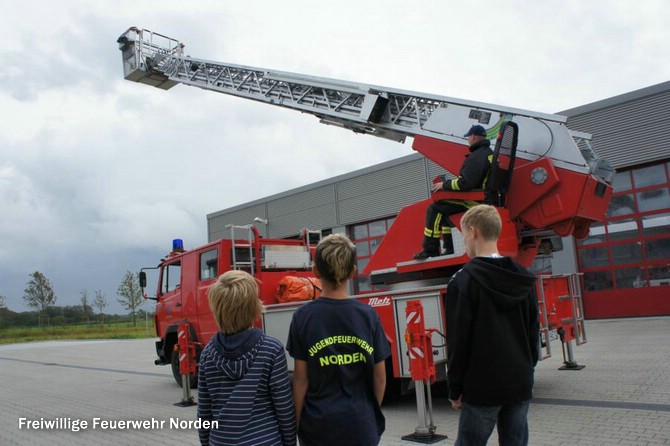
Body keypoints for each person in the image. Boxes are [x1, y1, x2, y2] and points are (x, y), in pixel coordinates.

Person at [444, 204, 539, 446]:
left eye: (463, 234)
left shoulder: (463, 281)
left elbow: (459, 342)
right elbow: (532, 332)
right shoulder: (523, 277)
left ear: (474, 232)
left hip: (482, 388)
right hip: (520, 382)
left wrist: (455, 389)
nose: (464, 241)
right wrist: (527, 370)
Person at [286, 234, 391, 446]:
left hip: (318, 427)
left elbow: (300, 379)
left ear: (315, 272)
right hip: (361, 426)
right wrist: (369, 414)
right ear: (353, 273)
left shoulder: (302, 317)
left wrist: (296, 425)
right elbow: (380, 378)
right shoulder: (368, 315)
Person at [198, 270, 296, 446]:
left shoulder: (207, 355)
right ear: (254, 307)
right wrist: (289, 442)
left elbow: (204, 413)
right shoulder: (271, 349)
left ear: (216, 309)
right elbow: (284, 407)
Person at [414, 124, 493, 260]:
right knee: (447, 210)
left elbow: (465, 183)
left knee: (435, 209)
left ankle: (430, 249)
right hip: (484, 199)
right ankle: (450, 248)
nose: (468, 139)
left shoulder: (476, 157)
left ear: (473, 137)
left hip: (475, 202)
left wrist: (444, 185)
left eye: (468, 137)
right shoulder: (488, 154)